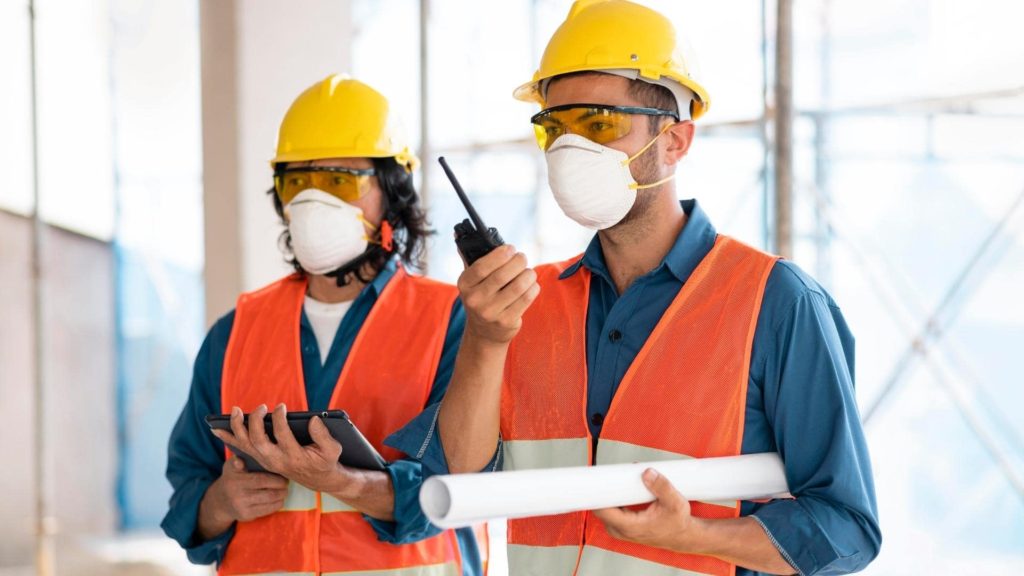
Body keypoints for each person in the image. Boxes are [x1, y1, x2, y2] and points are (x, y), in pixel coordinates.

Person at [392, 1, 881, 575]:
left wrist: (696, 535)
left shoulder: (776, 302)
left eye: (599, 124)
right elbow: (461, 476)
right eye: (555, 127)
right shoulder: (526, 304)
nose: (570, 149)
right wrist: (485, 339)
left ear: (675, 141)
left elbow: (847, 528)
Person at [162, 74, 484, 576]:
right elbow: (189, 492)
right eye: (297, 182)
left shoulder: (454, 321)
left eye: (339, 181)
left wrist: (342, 482)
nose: (314, 202)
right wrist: (221, 501)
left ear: (391, 194)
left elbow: (460, 489)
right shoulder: (235, 332)